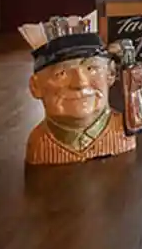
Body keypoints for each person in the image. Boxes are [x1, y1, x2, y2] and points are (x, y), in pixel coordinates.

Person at [25, 34, 135, 165]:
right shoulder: (39, 144)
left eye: (91, 68)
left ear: (111, 73)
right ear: (35, 86)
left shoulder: (123, 133)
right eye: (61, 73)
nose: (80, 83)